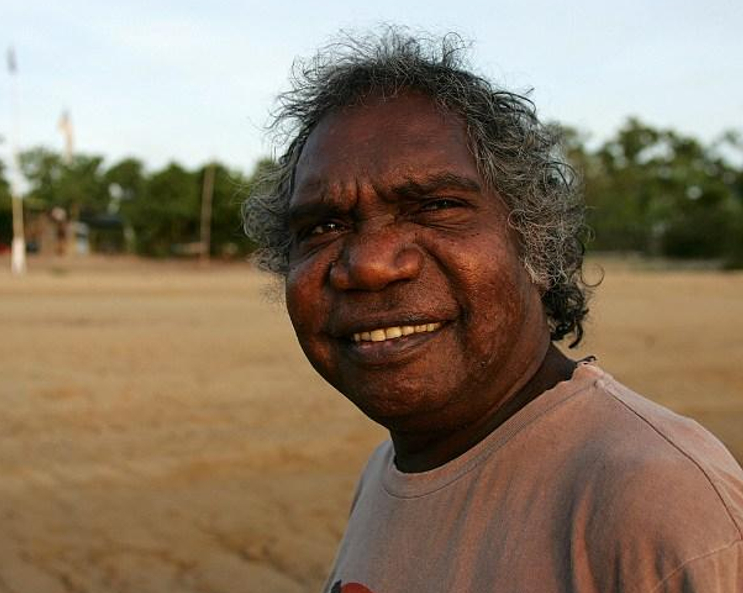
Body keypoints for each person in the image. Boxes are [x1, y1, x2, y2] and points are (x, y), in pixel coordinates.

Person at [242, 29, 743, 592]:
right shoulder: (389, 470)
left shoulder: (655, 500)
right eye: (324, 226)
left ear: (535, 242)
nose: (369, 266)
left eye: (436, 206)